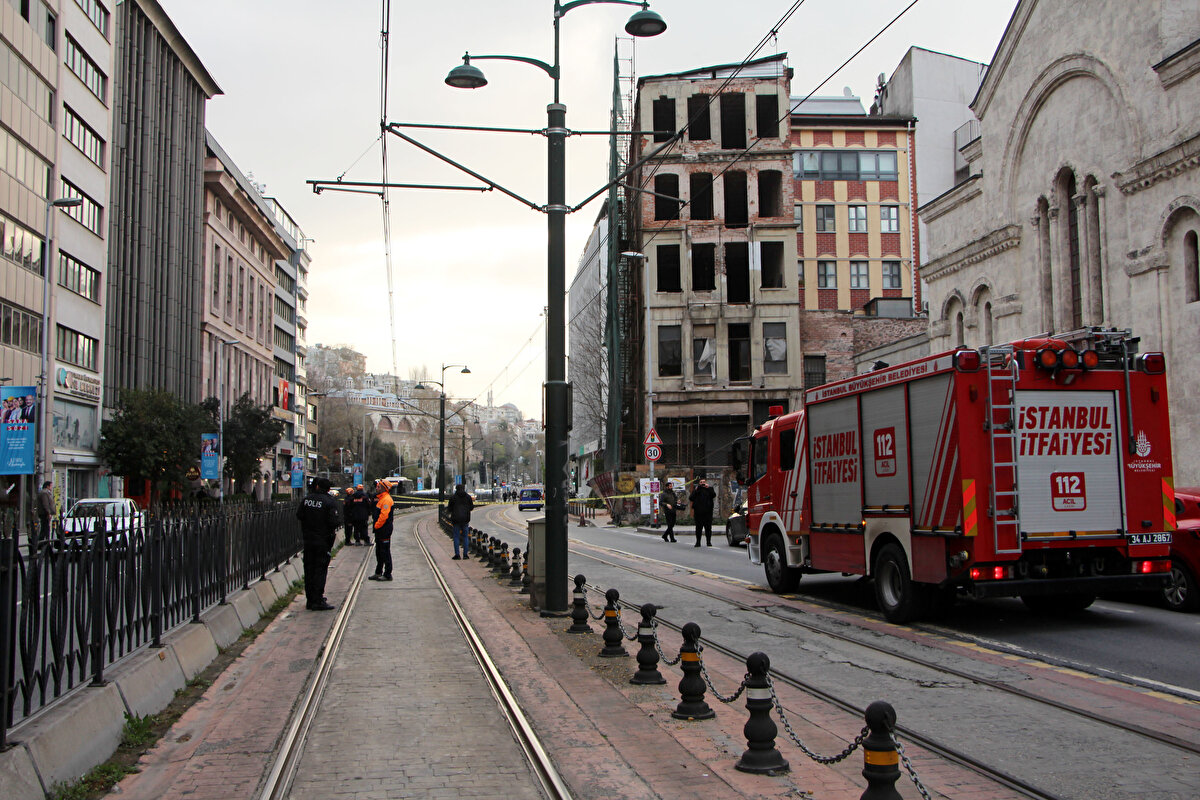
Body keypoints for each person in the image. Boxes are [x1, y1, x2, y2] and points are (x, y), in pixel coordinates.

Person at [296, 476, 341, 610]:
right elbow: (334, 522)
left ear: (316, 486)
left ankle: (310, 599)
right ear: (328, 489)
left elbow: (299, 515)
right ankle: (318, 599)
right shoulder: (329, 502)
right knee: (320, 570)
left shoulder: (307, 500)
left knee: (309, 569)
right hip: (323, 541)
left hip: (308, 540)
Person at [367, 479, 395, 581]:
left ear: (383, 488)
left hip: (384, 529)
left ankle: (387, 574)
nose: (376, 488)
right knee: (379, 551)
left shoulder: (386, 500)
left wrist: (377, 525)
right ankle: (378, 572)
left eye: (378, 486)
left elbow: (384, 516)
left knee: (385, 551)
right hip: (380, 529)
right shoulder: (381, 498)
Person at [447, 483, 474, 559]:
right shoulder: (468, 497)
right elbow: (471, 507)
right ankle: (465, 555)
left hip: (456, 520)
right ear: (464, 489)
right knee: (465, 537)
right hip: (465, 519)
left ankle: (457, 554)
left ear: (456, 489)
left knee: (456, 537)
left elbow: (449, 508)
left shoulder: (453, 497)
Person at [689, 477, 717, 547]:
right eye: (701, 482)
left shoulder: (709, 489)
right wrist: (696, 490)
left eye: (704, 482)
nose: (702, 484)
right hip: (698, 512)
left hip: (708, 512)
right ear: (699, 483)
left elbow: (713, 495)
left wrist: (708, 488)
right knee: (698, 528)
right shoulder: (696, 489)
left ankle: (708, 541)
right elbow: (691, 498)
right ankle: (698, 542)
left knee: (708, 528)